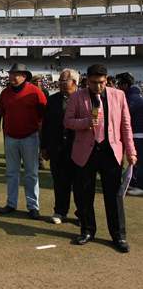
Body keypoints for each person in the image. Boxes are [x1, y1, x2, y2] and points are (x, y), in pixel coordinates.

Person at [64, 64, 137, 253]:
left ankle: (118, 235)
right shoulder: (76, 97)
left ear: (107, 80)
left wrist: (131, 152)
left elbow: (126, 126)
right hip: (85, 152)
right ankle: (88, 230)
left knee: (114, 196)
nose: (98, 86)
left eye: (102, 82)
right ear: (86, 80)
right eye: (94, 82)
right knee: (84, 194)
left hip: (111, 152)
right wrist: (86, 122)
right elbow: (68, 121)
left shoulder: (118, 96)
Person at [0, 63, 47, 220]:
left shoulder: (35, 92)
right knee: (11, 173)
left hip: (30, 138)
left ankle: (33, 206)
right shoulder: (5, 93)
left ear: (24, 76)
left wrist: (41, 134)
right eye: (11, 74)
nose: (12, 77)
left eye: (16, 74)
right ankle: (11, 203)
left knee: (31, 173)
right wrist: (0, 125)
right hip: (11, 137)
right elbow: (1, 111)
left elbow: (44, 114)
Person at [41, 69, 80, 224]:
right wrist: (44, 146)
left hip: (78, 148)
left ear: (75, 82)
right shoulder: (53, 100)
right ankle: (60, 211)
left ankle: (81, 213)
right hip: (57, 148)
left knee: (79, 184)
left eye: (65, 81)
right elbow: (46, 124)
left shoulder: (83, 98)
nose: (61, 84)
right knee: (59, 182)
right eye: (60, 81)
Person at [116, 72, 143, 196]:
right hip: (137, 133)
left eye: (119, 84)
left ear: (125, 85)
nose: (118, 86)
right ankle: (135, 182)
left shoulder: (132, 99)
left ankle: (139, 185)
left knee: (138, 161)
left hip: (138, 133)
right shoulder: (134, 96)